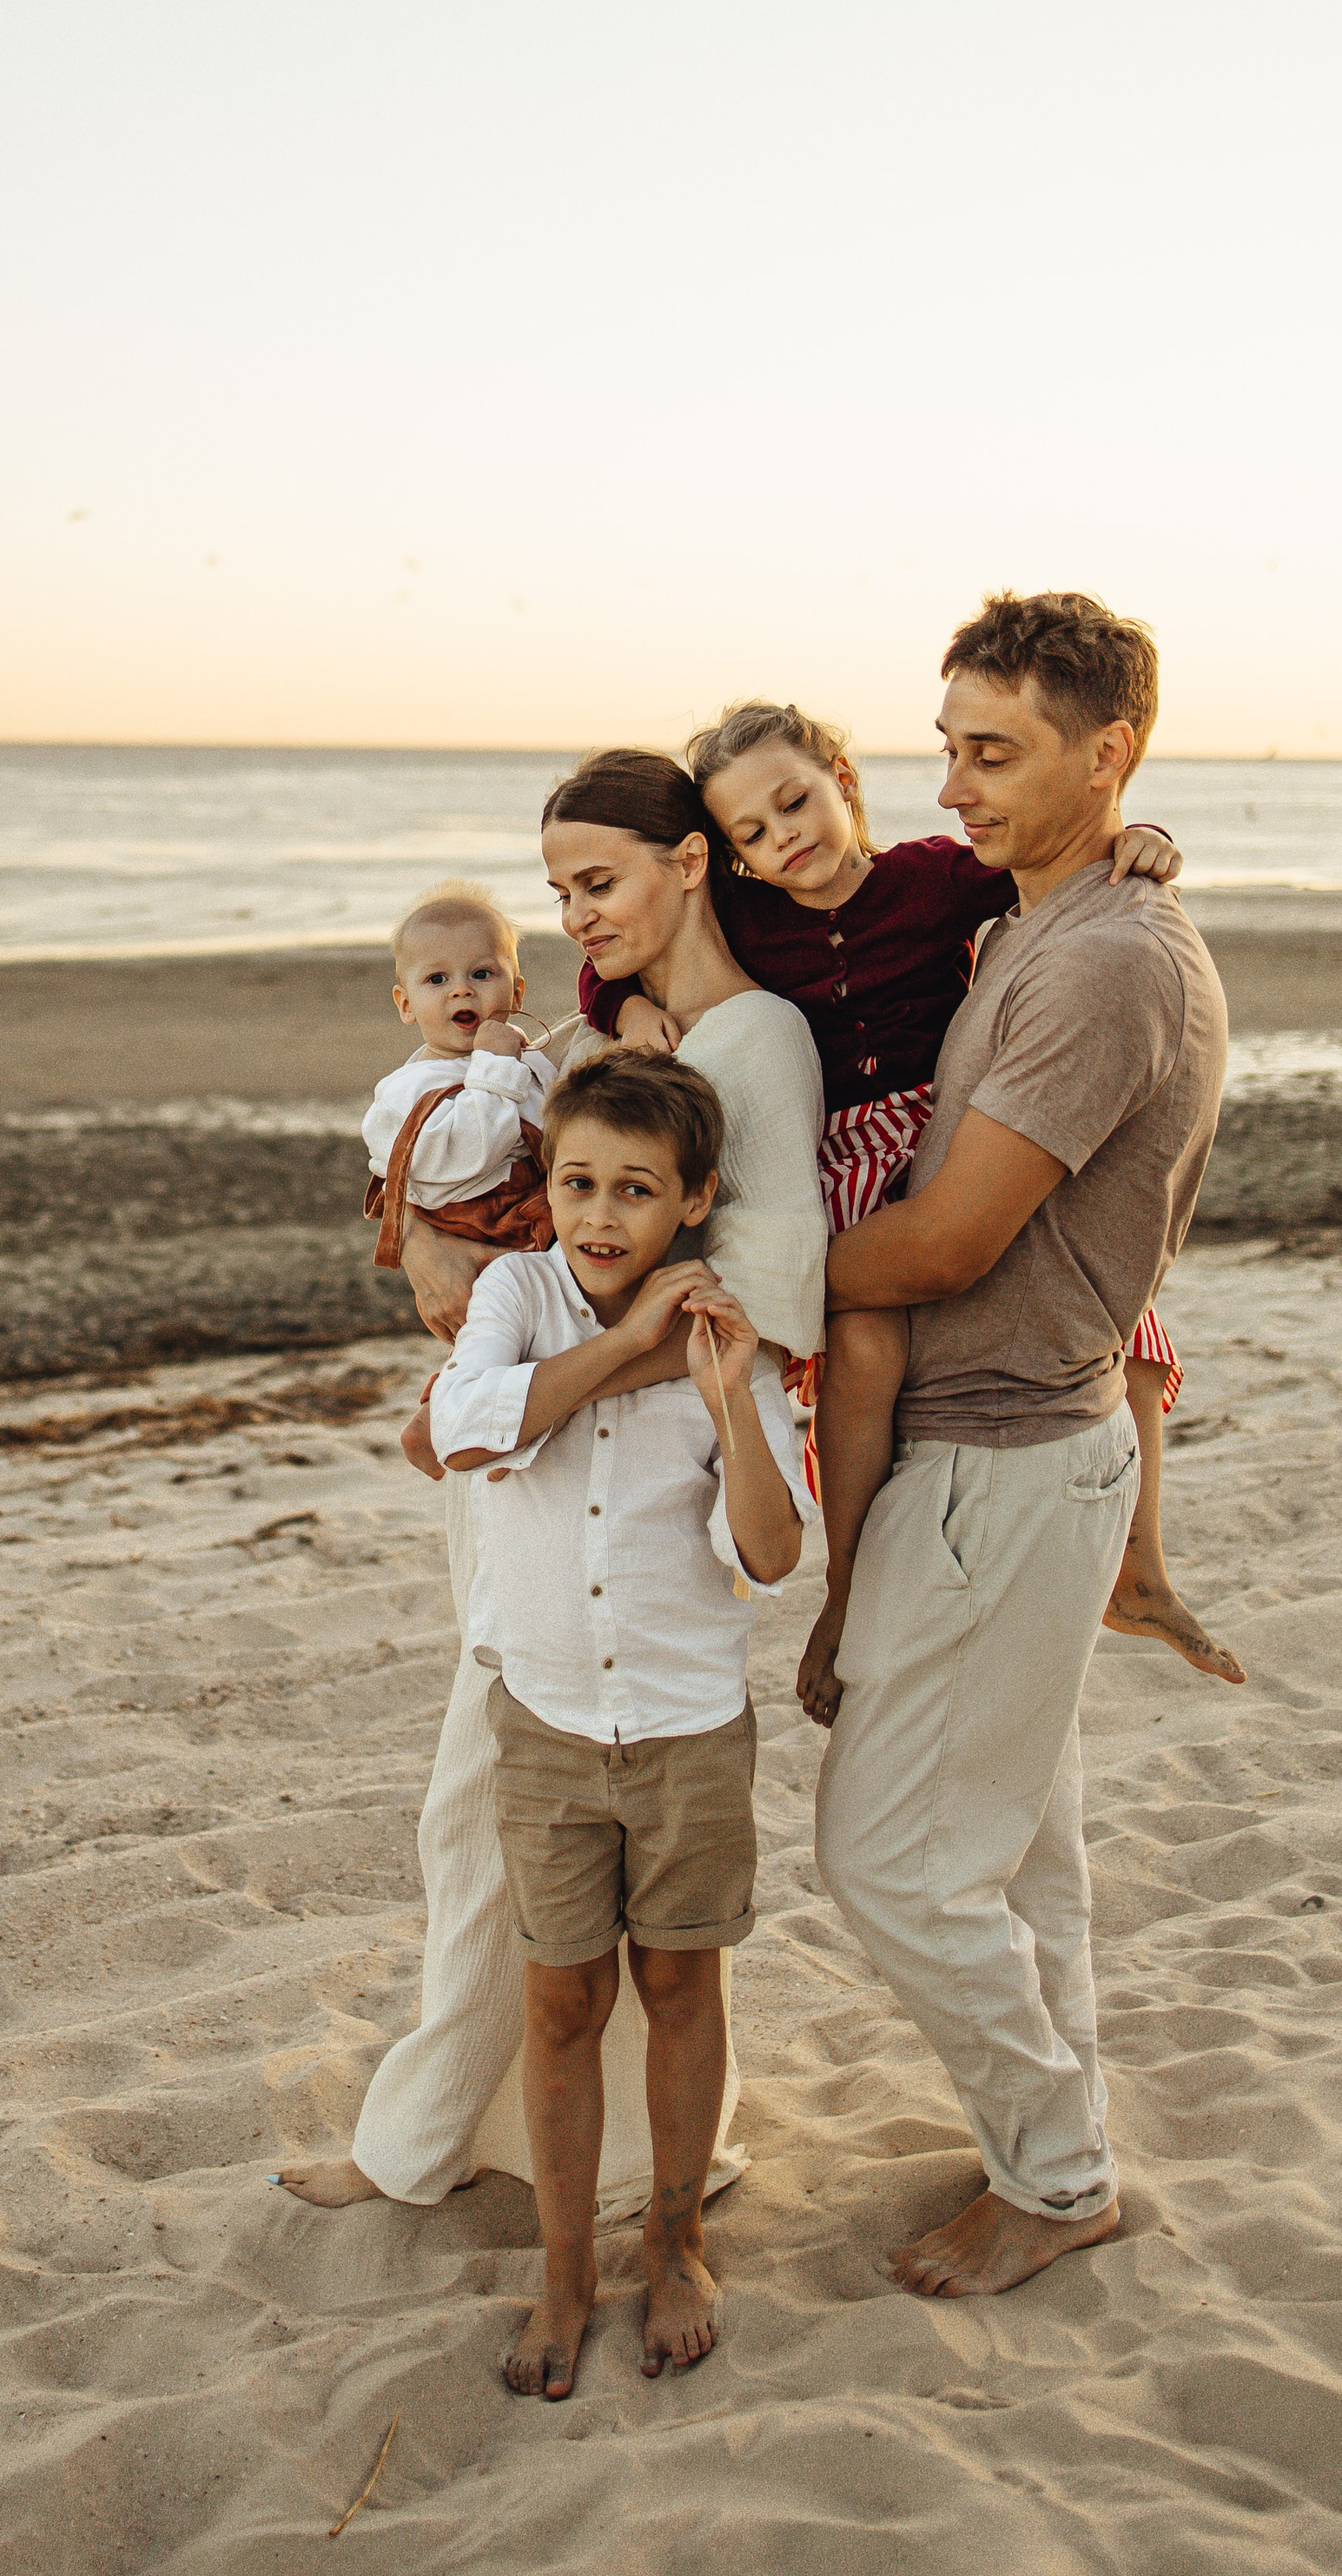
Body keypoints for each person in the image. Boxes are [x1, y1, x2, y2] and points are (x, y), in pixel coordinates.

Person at [275, 749, 824, 2218]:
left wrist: (527, 1393)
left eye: (597, 884)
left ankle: (443, 2148)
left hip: (615, 1477)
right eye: (560, 892)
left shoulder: (755, 1038)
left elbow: (755, 1298)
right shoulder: (608, 1025)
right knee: (498, 1829)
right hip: (520, 1466)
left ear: (689, 865)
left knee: (490, 1821)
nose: (573, 919)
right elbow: (499, 1192)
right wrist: (430, 1262)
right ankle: (482, 2139)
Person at [810, 593, 1228, 2299]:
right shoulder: (1041, 927)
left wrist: (718, 1276)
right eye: (946, 748)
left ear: (1103, 754)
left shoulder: (1109, 961)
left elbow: (942, 1244)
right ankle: (1060, 2149)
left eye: (993, 753)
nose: (955, 786)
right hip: (1010, 1459)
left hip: (1001, 1461)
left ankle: (1055, 2179)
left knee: (887, 1860)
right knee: (1009, 1842)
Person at [584, 702, 1240, 1688]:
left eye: (793, 803)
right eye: (749, 836)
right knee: (866, 1343)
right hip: (847, 1150)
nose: (782, 839)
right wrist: (623, 1004)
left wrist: (1148, 838)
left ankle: (1140, 1563)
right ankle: (847, 1585)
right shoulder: (748, 916)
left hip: (945, 1127)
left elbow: (1056, 851)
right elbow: (622, 947)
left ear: (841, 779)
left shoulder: (929, 875)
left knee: (1133, 1333)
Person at [429, 1051, 810, 2396]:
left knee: (678, 1983)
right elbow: (464, 1427)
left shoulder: (725, 1337)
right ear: (547, 1184)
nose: (602, 1213)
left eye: (637, 1191)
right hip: (544, 1723)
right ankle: (564, 2272)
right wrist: (625, 1345)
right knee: (562, 1999)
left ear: (692, 1199)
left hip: (690, 1725)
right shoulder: (515, 1295)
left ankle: (677, 2237)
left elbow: (769, 1553)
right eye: (579, 1181)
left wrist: (716, 1389)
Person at [362, 883, 555, 1270]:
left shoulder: (523, 1056)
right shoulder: (407, 1089)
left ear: (516, 994)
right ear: (406, 1005)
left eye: (482, 974)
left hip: (539, 1207)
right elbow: (471, 1152)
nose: (462, 991)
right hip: (481, 1222)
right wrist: (495, 1066)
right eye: (437, 980)